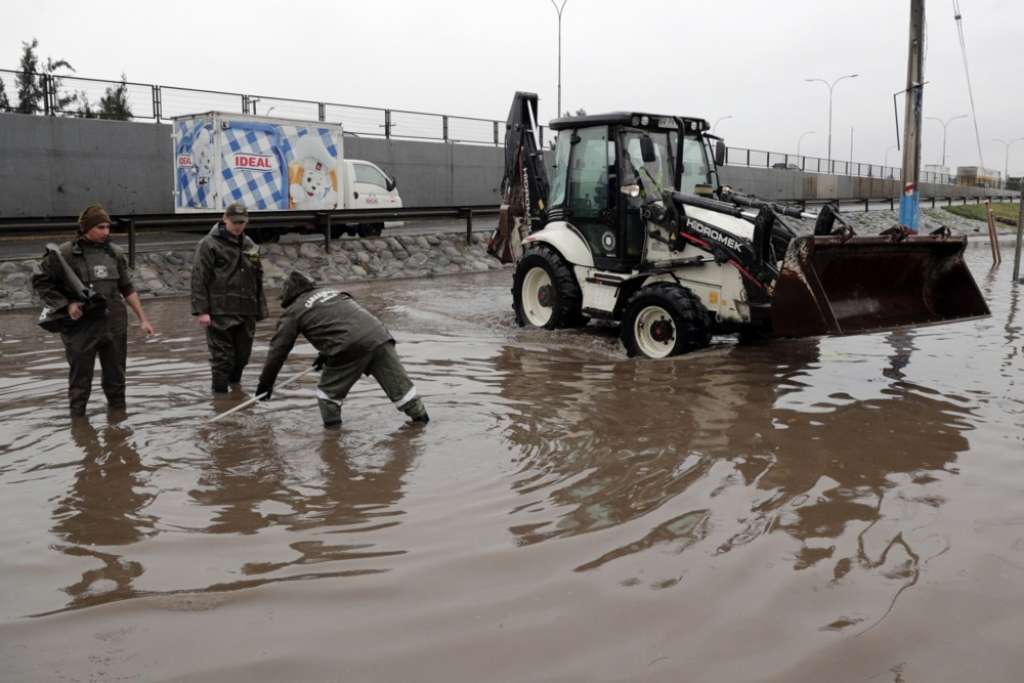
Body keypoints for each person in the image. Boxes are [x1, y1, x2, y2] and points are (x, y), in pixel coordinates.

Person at [255, 271, 429, 428]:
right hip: (380, 337)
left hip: (349, 347)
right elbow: (346, 321)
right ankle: (422, 427)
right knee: (404, 394)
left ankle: (333, 440)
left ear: (288, 296)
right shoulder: (333, 292)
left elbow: (277, 352)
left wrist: (266, 384)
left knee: (327, 396)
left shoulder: (293, 311)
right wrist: (324, 353)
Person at [31, 203, 156, 416]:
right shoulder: (65, 253)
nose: (106, 232)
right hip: (81, 326)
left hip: (113, 323)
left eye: (108, 227)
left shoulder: (114, 252)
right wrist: (66, 304)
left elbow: (127, 288)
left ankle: (118, 424)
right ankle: (78, 425)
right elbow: (40, 280)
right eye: (100, 227)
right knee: (80, 380)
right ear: (86, 227)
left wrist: (143, 319)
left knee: (116, 379)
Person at [190, 202, 268, 393]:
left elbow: (258, 276)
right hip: (220, 311)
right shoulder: (208, 244)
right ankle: (220, 398)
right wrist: (202, 311)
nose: (239, 226)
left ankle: (236, 392)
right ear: (225, 219)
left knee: (243, 356)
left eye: (242, 222)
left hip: (246, 309)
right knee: (222, 359)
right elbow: (199, 278)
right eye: (235, 222)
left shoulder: (250, 245)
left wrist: (260, 309)